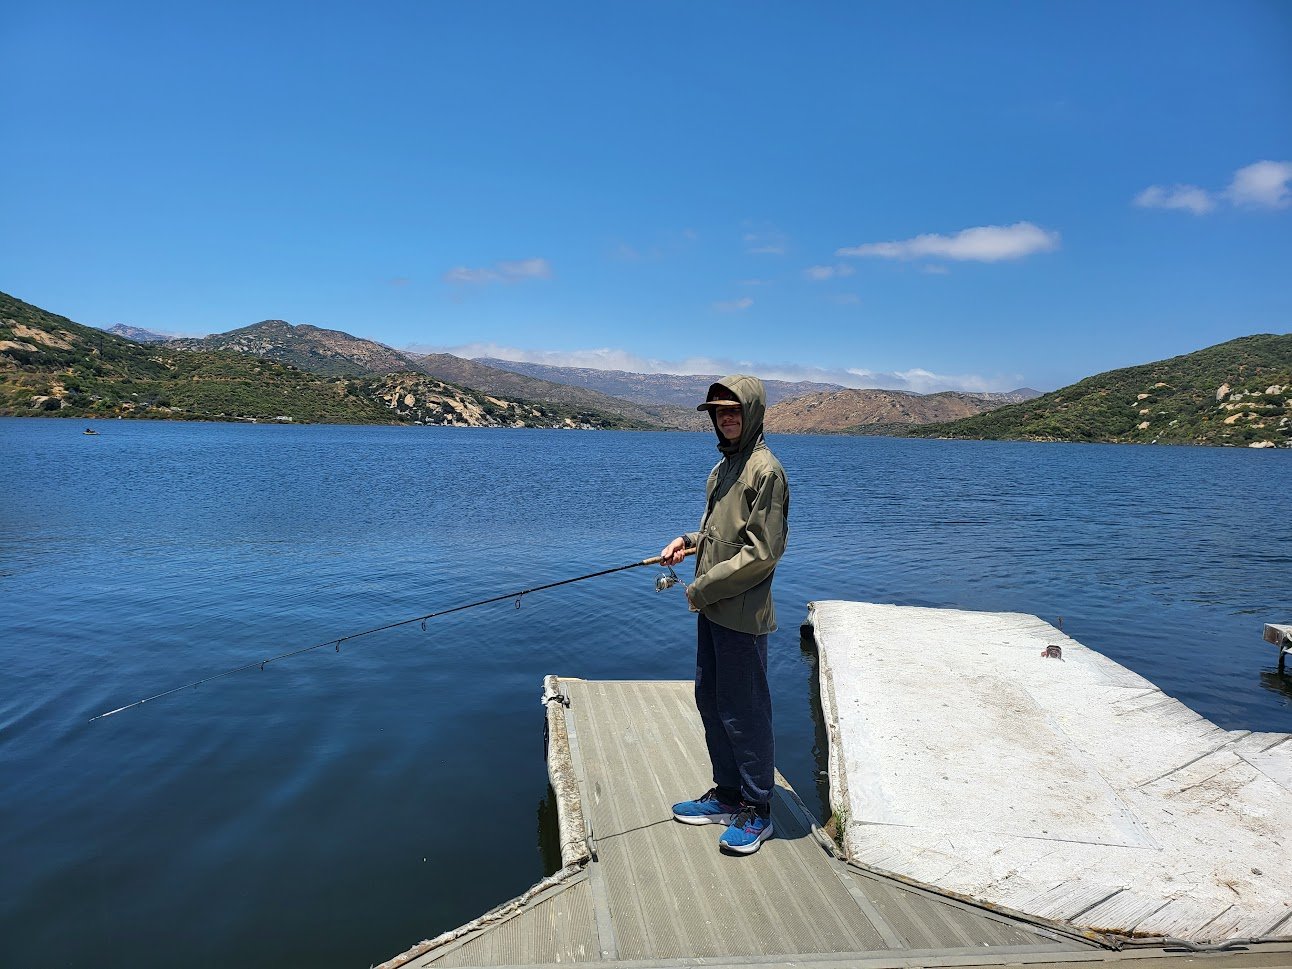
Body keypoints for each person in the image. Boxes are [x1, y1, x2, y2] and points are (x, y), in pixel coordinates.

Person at [659, 374, 789, 855]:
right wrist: (687, 541)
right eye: (719, 412)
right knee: (712, 700)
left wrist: (700, 587)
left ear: (751, 413)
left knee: (745, 710)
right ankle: (729, 795)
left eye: (734, 410)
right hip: (713, 610)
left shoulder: (765, 471)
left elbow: (762, 553)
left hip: (741, 617)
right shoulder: (724, 468)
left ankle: (758, 809)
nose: (727, 418)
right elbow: (719, 536)